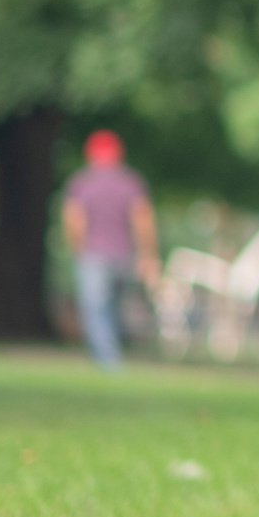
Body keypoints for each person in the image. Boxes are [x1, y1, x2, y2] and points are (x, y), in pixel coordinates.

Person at [61, 130, 158, 371]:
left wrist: (78, 249)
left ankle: (108, 360)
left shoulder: (82, 183)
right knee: (112, 307)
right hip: (123, 254)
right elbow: (143, 220)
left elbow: (74, 219)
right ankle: (109, 355)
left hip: (93, 254)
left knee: (96, 308)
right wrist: (148, 255)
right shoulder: (131, 183)